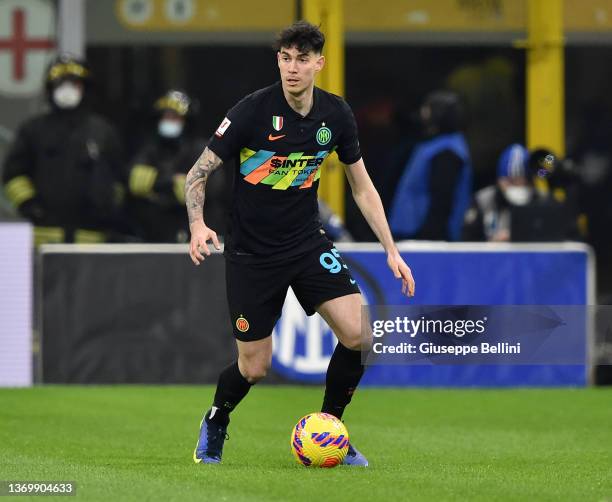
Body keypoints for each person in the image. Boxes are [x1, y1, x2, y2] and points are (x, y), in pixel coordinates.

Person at [184, 21, 415, 466]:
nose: (292, 68)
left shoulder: (337, 115)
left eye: (302, 60)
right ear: (279, 61)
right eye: (286, 58)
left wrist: (391, 249)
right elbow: (197, 173)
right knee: (255, 367)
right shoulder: (251, 111)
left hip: (307, 244)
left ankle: (331, 431)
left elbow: (362, 187)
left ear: (318, 64)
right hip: (252, 254)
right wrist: (198, 225)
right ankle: (216, 419)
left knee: (358, 335)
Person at [1, 53, 124, 245]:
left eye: (74, 84)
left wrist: (108, 208)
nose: (67, 90)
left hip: (91, 237)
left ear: (85, 88)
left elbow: (118, 178)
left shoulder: (102, 131)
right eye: (60, 84)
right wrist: (29, 204)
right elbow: (13, 174)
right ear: (51, 89)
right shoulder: (34, 130)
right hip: (46, 236)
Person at [126, 90, 226, 242]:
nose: (169, 120)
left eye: (174, 117)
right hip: (156, 234)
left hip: (196, 234)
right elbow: (135, 180)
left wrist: (157, 184)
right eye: (165, 116)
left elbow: (213, 187)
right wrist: (176, 183)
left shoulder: (201, 149)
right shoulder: (149, 149)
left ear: (187, 121)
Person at [389, 91, 472, 241]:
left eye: (427, 108)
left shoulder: (447, 152)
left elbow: (442, 201)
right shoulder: (433, 145)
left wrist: (428, 238)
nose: (423, 113)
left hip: (426, 237)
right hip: (411, 233)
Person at [463, 144, 531, 241]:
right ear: (499, 180)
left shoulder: (539, 200)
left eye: (520, 181)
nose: (515, 187)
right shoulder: (482, 200)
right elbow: (467, 240)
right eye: (510, 181)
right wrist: (492, 243)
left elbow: (550, 159)